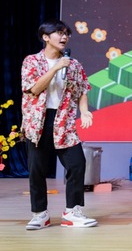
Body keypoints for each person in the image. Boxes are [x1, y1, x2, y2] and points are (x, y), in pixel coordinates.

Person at [20, 19, 97, 230]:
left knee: (77, 164)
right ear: (45, 37)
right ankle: (40, 214)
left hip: (64, 121)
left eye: (66, 34)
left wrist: (84, 111)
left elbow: (82, 90)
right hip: (38, 121)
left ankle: (72, 212)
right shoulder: (32, 61)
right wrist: (55, 69)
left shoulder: (74, 64)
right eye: (59, 33)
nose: (64, 37)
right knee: (36, 169)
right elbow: (34, 89)